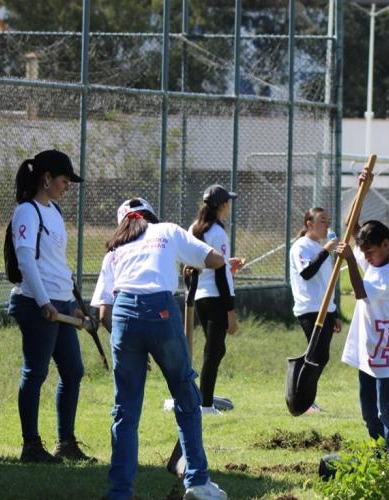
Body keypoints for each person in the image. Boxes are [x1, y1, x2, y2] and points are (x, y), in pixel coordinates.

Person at [93, 197, 227, 500]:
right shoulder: (166, 231)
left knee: (125, 410)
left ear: (124, 223)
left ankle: (119, 493)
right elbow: (213, 258)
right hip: (161, 310)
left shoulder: (115, 249)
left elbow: (103, 314)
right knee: (186, 396)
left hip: (124, 314)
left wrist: (129, 345)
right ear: (151, 217)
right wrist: (194, 266)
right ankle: (196, 480)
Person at [7, 149, 94, 463]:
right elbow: (26, 259)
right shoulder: (27, 212)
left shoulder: (54, 211)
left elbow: (58, 262)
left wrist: (73, 304)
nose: (67, 185)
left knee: (73, 371)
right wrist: (44, 302)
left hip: (61, 304)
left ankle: (66, 443)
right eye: (64, 179)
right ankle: (31, 446)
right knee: (36, 372)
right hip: (35, 303)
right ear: (46, 178)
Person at [337, 210, 389, 454]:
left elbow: (361, 292)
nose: (366, 257)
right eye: (363, 252)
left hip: (386, 346)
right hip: (368, 344)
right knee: (368, 408)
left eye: (370, 252)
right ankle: (380, 449)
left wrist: (349, 259)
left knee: (386, 407)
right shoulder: (376, 257)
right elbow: (352, 224)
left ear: (386, 244)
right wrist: (361, 188)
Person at [190, 184, 244, 415]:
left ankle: (203, 396)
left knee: (216, 350)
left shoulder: (194, 228)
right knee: (213, 352)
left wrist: (227, 263)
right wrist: (230, 311)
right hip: (216, 297)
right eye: (228, 203)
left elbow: (202, 262)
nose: (229, 206)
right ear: (222, 206)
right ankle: (205, 405)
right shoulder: (218, 232)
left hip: (200, 295)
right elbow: (220, 273)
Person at [289, 207, 342, 412]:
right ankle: (302, 397)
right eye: (321, 220)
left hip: (324, 309)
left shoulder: (320, 249)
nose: (326, 225)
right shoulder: (301, 246)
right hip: (309, 308)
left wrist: (334, 313)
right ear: (309, 223)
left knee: (322, 356)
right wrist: (326, 250)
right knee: (316, 355)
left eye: (328, 220)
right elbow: (307, 272)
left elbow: (326, 284)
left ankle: (306, 397)